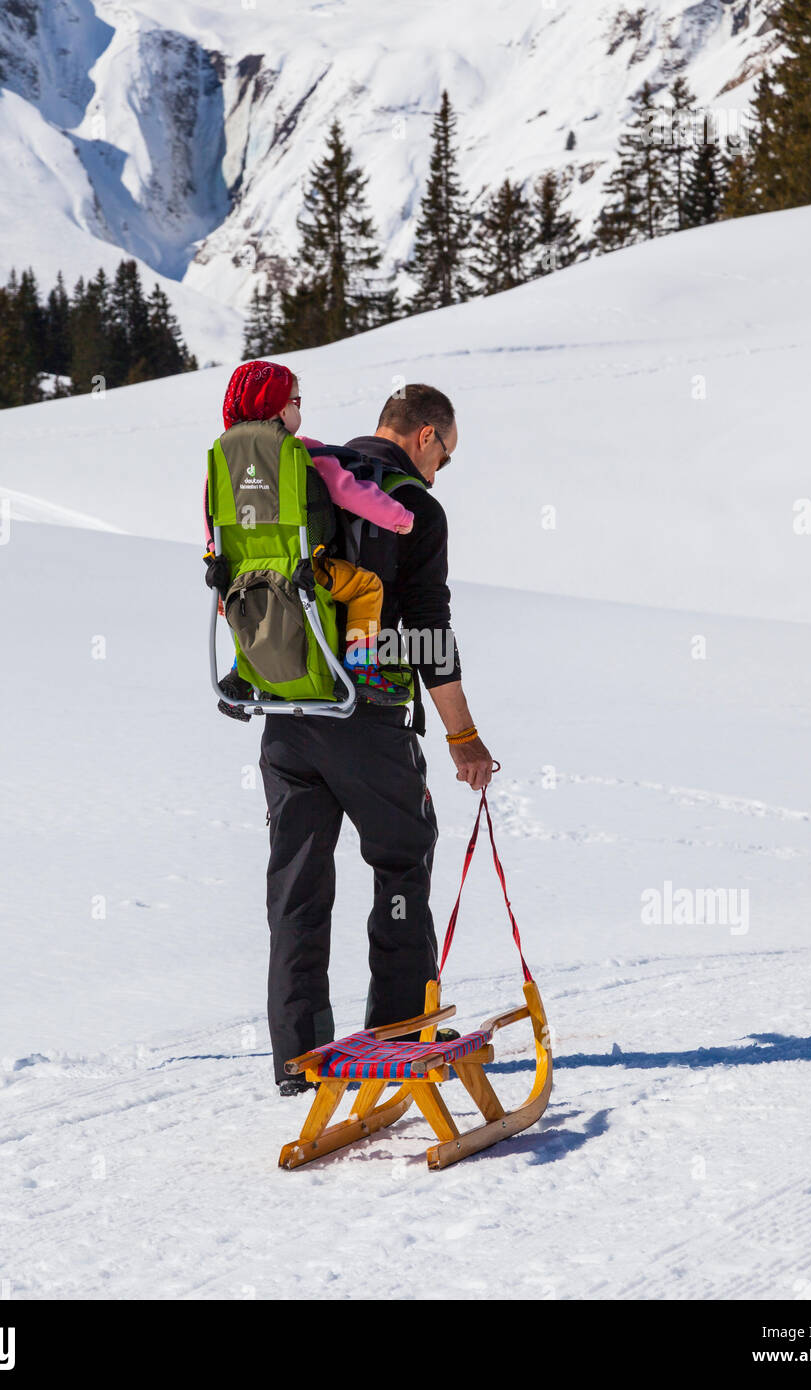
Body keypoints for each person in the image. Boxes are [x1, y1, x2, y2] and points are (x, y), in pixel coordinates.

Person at [259, 383, 495, 1094]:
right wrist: (464, 735)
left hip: (286, 712)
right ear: (424, 435)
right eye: (444, 456)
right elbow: (428, 630)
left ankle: (298, 1060)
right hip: (366, 719)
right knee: (399, 865)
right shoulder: (414, 506)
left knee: (297, 887)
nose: (439, 471)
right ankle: (397, 1039)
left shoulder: (304, 481)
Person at [209, 359, 414, 703]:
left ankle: (241, 671)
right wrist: (400, 518)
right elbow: (351, 492)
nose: (297, 409)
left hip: (238, 578)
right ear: (277, 408)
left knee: (243, 609)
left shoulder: (221, 461)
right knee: (366, 587)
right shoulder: (300, 452)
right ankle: (359, 667)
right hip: (304, 574)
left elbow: (213, 523)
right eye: (295, 402)